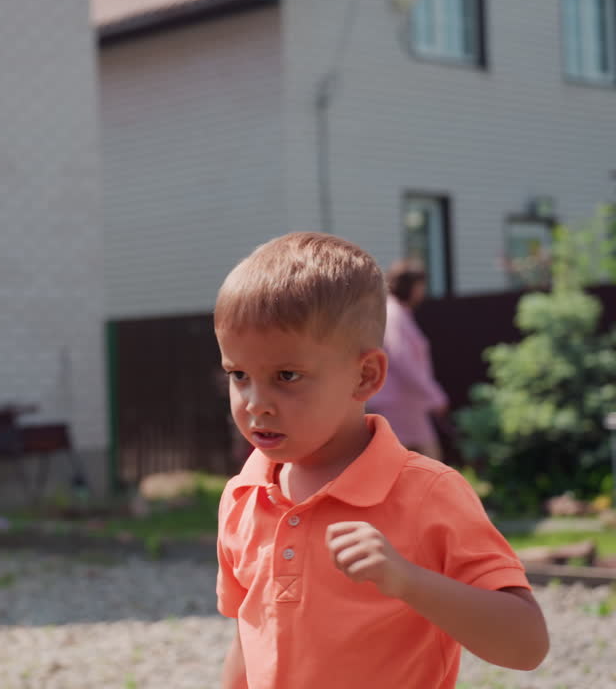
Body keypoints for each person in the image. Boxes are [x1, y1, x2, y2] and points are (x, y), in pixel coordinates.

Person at [213, 232, 548, 688]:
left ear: (365, 376)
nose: (256, 403)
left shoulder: (429, 493)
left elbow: (527, 644)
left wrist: (409, 581)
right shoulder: (242, 497)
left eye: (286, 375)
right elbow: (248, 637)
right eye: (239, 375)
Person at [368, 259, 449, 461]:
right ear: (410, 286)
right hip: (399, 405)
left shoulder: (395, 312)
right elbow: (402, 359)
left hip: (405, 404)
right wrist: (434, 394)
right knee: (428, 463)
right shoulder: (395, 315)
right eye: (421, 285)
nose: (423, 291)